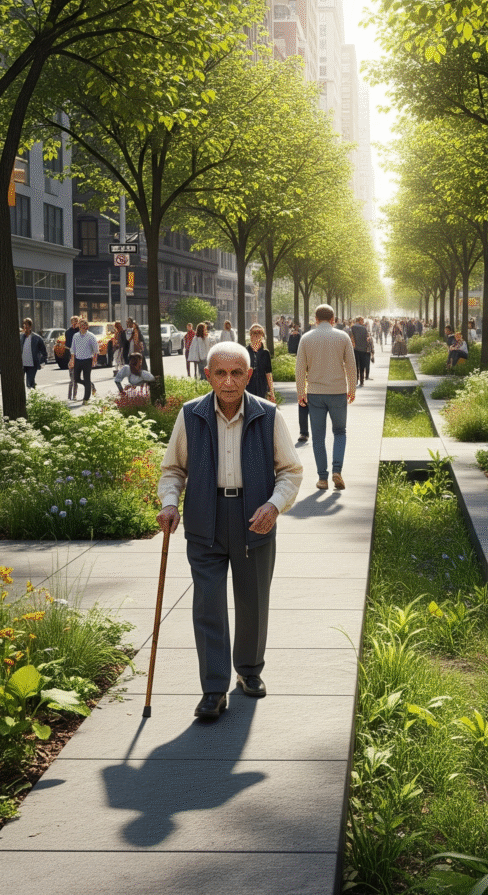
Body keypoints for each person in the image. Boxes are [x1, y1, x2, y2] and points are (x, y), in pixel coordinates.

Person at [156, 342, 303, 718]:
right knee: (208, 604)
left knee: (252, 600)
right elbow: (173, 469)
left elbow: (290, 470)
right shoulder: (191, 415)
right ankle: (213, 687)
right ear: (207, 376)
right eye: (220, 373)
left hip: (254, 517)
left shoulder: (268, 415)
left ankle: (250, 672)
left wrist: (274, 505)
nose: (229, 381)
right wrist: (170, 503)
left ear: (249, 376)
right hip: (206, 515)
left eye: (237, 373)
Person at [294, 304, 356, 490]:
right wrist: (352, 389)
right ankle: (337, 470)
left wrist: (300, 392)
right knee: (340, 432)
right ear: (333, 319)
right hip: (337, 392)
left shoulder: (306, 338)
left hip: (315, 393)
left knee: (318, 437)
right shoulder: (343, 337)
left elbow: (299, 368)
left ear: (315, 319)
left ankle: (322, 478)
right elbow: (351, 367)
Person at [68, 319, 99, 405]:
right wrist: (72, 361)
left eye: (84, 325)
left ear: (87, 327)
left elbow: (96, 350)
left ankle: (86, 399)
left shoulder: (91, 336)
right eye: (81, 325)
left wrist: (94, 360)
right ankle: (89, 385)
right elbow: (72, 349)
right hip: (78, 360)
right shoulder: (75, 336)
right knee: (76, 378)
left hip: (87, 360)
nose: (82, 327)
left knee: (87, 378)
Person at [245, 324, 276, 402]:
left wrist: (272, 392)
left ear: (262, 336)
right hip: (248, 387)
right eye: (254, 333)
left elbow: (268, 373)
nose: (256, 335)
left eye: (259, 333)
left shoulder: (265, 353)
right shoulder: (245, 351)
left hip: (262, 388)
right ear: (250, 335)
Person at [20, 318, 48, 389]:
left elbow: (44, 351)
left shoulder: (37, 338)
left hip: (32, 364)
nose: (25, 328)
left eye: (27, 326)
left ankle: (34, 394)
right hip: (22, 364)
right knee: (20, 382)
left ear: (30, 327)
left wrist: (42, 360)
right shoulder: (21, 337)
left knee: (29, 383)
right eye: (24, 326)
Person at [350, 316, 370, 387]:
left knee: (355, 365)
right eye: (362, 320)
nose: (363, 322)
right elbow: (367, 338)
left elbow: (350, 337)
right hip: (363, 349)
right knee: (362, 365)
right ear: (360, 320)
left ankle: (355, 380)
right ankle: (362, 381)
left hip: (355, 349)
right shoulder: (364, 328)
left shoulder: (352, 328)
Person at [64, 315, 81, 400]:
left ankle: (74, 395)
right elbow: (67, 345)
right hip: (71, 357)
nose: (74, 322)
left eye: (76, 321)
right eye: (73, 321)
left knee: (76, 378)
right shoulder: (68, 332)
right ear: (71, 322)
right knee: (72, 379)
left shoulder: (80, 331)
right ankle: (70, 396)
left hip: (80, 357)